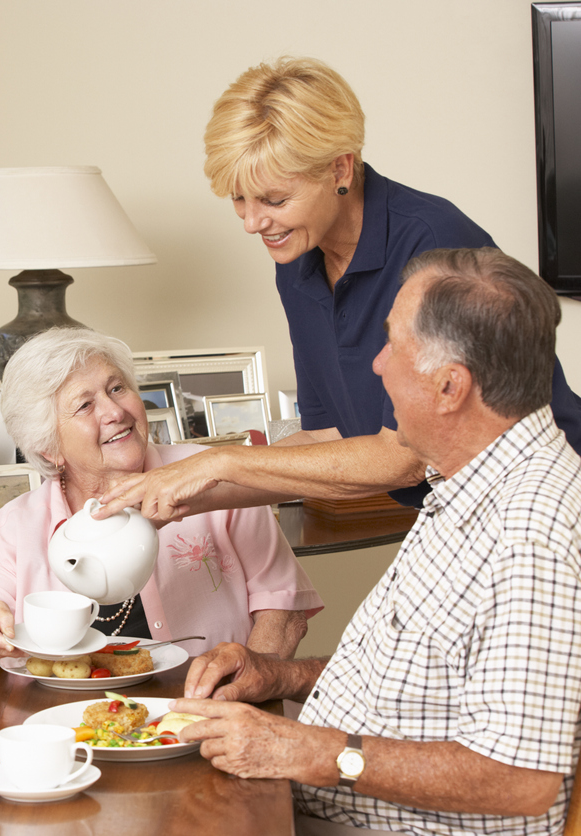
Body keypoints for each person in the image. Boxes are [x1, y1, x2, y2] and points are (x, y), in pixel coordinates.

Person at [173, 249, 581, 836]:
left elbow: (521, 779)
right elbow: (423, 677)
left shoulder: (534, 528)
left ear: (449, 387)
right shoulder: (472, 479)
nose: (377, 364)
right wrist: (280, 676)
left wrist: (303, 750)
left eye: (393, 344)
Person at [97, 56, 581, 524]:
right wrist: (173, 496)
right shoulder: (297, 260)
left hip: (540, 508)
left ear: (340, 170)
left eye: (274, 199)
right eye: (238, 199)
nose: (251, 222)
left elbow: (406, 456)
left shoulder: (433, 245)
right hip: (454, 517)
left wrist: (220, 462)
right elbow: (322, 438)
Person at [0, 327, 322, 670]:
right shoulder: (15, 525)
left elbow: (283, 612)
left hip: (207, 711)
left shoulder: (214, 476)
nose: (115, 412)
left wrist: (242, 690)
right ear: (49, 449)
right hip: (65, 721)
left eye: (117, 388)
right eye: (85, 406)